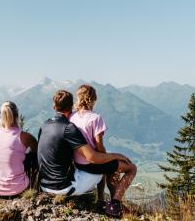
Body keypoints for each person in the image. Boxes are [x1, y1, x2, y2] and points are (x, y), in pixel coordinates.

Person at [37, 90, 135, 218]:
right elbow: (93, 157)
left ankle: (102, 201)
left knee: (104, 163)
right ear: (71, 106)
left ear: (54, 106)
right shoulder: (69, 127)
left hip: (44, 185)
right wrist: (117, 155)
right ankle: (114, 204)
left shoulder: (44, 125)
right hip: (64, 187)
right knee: (121, 167)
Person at [70, 84, 137, 216]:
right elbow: (99, 147)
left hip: (78, 162)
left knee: (108, 167)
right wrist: (111, 157)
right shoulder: (96, 118)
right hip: (92, 163)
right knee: (132, 168)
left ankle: (101, 200)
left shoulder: (72, 117)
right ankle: (115, 203)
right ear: (93, 99)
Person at [0, 101, 38, 197]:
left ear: (1, 116)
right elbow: (39, 151)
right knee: (33, 155)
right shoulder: (25, 136)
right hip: (17, 188)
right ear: (17, 115)